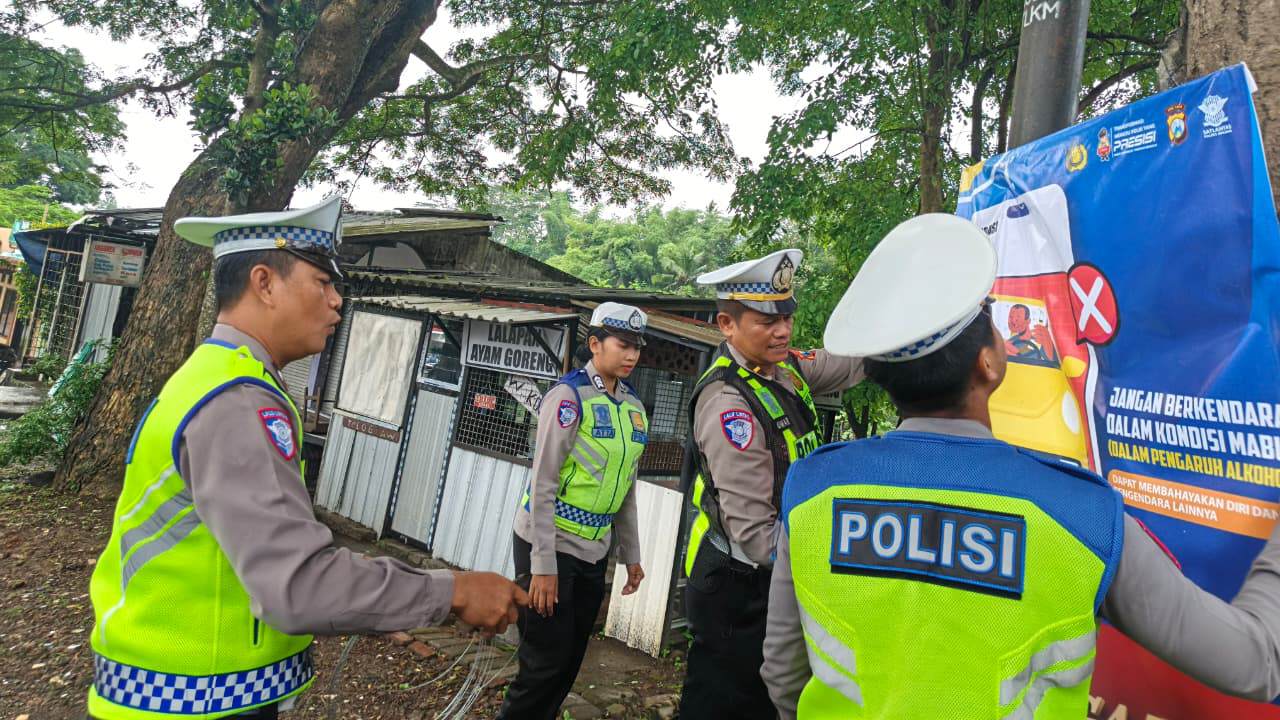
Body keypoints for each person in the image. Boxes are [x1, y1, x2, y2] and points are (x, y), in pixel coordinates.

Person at [763, 213, 1280, 718]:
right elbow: (1255, 663)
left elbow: (783, 675)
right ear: (988, 362)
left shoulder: (813, 491)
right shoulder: (1084, 517)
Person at [87, 197, 526, 720]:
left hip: (183, 687)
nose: (338, 301)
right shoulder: (238, 401)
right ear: (264, 283)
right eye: (323, 282)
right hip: (191, 699)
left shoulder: (213, 377)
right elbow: (298, 585)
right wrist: (453, 590)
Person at [679, 249, 864, 720]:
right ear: (726, 324)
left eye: (786, 316)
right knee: (726, 703)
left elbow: (854, 362)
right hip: (739, 590)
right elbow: (757, 535)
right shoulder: (728, 404)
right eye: (765, 320)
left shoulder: (785, 371)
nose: (782, 330)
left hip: (768, 580)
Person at [498, 302, 650, 720]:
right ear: (595, 344)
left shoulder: (633, 408)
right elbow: (542, 482)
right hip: (548, 544)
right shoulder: (568, 397)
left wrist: (631, 556)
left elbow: (626, 491)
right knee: (542, 663)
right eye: (623, 344)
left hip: (593, 550)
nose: (632, 354)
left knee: (569, 660)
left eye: (638, 346)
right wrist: (543, 565)